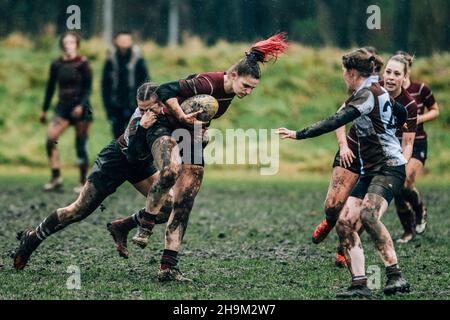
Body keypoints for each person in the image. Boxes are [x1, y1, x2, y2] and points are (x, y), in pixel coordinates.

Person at [107, 33, 289, 282]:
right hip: (164, 126)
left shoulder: (230, 94)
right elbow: (164, 90)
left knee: (186, 199)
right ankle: (146, 222)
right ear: (233, 75)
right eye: (246, 86)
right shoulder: (207, 83)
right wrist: (181, 115)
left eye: (252, 89)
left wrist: (203, 130)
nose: (247, 92)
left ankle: (168, 266)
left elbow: (203, 116)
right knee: (171, 170)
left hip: (188, 133)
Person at [277, 48, 410, 297]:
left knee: (369, 216)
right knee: (345, 222)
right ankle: (360, 284)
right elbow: (398, 110)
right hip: (370, 171)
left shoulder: (367, 95)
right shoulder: (370, 91)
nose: (343, 76)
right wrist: (393, 122)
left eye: (343, 72)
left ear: (351, 73)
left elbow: (336, 120)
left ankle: (396, 276)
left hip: (389, 168)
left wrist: (298, 134)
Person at [13, 83, 173, 270]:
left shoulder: (170, 108)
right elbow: (131, 155)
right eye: (141, 108)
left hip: (140, 164)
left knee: (168, 206)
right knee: (77, 210)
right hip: (116, 160)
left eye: (150, 108)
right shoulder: (138, 121)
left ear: (161, 102)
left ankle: (122, 226)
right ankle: (32, 238)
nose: (145, 112)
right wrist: (143, 127)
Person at [311, 47, 384, 269]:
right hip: (352, 151)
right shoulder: (360, 93)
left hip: (376, 160)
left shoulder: (387, 96)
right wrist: (343, 146)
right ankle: (330, 220)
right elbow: (339, 118)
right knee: (333, 205)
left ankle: (344, 247)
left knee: (360, 210)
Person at [393, 51, 440, 242]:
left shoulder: (421, 89)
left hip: (417, 141)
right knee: (396, 188)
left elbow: (436, 110)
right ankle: (408, 230)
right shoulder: (388, 91)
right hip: (394, 144)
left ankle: (419, 208)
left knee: (405, 181)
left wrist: (419, 118)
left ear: (407, 70)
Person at [40, 32, 93, 193]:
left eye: (72, 42)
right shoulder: (57, 64)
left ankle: (83, 181)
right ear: (62, 45)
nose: (69, 45)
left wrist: (81, 105)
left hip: (81, 108)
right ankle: (56, 177)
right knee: (51, 140)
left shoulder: (83, 63)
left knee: (80, 144)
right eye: (66, 42)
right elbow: (50, 87)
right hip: (62, 106)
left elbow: (88, 88)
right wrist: (44, 109)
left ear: (76, 44)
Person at [102, 31, 150, 138]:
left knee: (135, 137)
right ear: (116, 41)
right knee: (118, 138)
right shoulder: (111, 59)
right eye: (121, 40)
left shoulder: (138, 59)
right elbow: (105, 86)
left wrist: (143, 106)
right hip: (116, 105)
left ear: (131, 41)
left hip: (134, 105)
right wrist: (108, 109)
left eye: (127, 40)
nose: (124, 42)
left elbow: (145, 82)